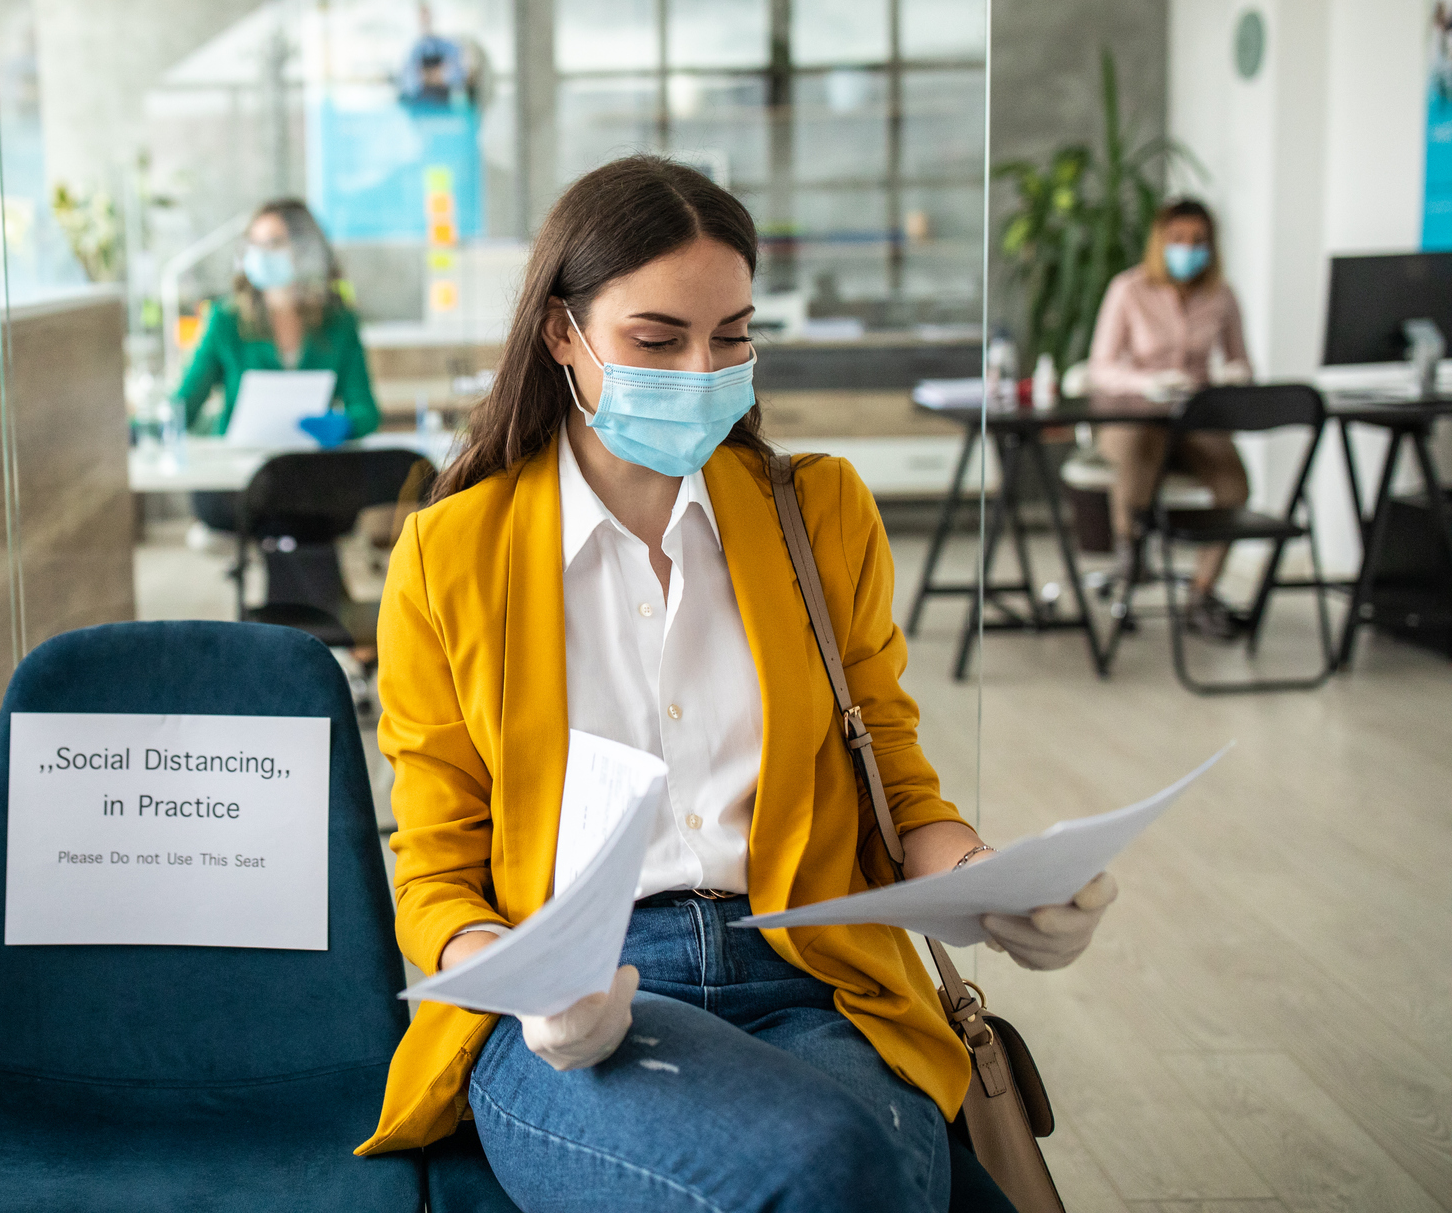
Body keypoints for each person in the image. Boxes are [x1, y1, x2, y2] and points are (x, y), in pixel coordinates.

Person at [355, 156, 1116, 1211]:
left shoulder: (819, 515)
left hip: (814, 975)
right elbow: (434, 870)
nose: (703, 368)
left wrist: (994, 882)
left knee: (850, 1172)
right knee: (847, 1175)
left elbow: (895, 784)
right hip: (587, 999)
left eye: (734, 336)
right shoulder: (452, 554)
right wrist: (528, 977)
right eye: (658, 341)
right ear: (563, 335)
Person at [1086, 197, 1253, 639]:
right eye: (1178, 239)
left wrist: (1233, 376)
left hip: (1193, 419)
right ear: (1160, 241)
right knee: (1143, 451)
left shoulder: (1222, 295)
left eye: (1199, 241)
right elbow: (1100, 367)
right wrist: (1148, 383)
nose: (1188, 248)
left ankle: (1201, 594)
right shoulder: (1129, 289)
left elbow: (1241, 362)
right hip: (1134, 417)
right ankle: (1129, 567)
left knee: (1234, 484)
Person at [173, 198, 380, 534]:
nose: (260, 254)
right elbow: (184, 403)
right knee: (290, 517)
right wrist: (141, 428)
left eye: (273, 243)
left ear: (305, 249)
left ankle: (300, 581)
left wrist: (344, 425)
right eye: (254, 244)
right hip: (238, 481)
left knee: (304, 509)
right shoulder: (226, 320)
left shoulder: (339, 323)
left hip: (309, 477)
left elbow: (367, 411)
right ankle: (313, 584)